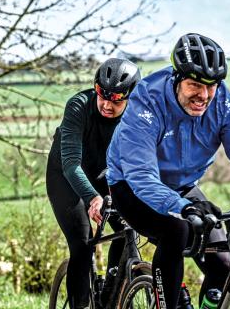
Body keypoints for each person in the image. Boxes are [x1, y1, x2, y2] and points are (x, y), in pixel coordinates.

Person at [105, 33, 230, 309]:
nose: (204, 95)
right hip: (131, 186)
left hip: (181, 187)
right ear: (176, 78)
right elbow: (142, 176)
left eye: (212, 86)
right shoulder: (147, 102)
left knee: (223, 264)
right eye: (195, 84)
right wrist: (183, 208)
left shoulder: (221, 103)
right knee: (176, 231)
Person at [47, 58, 141, 309]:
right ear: (96, 88)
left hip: (104, 176)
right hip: (66, 176)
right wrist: (92, 198)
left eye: (117, 99)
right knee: (83, 243)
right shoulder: (79, 105)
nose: (107, 105)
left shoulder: (137, 117)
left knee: (126, 231)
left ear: (129, 98)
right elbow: (70, 165)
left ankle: (114, 294)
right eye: (102, 95)